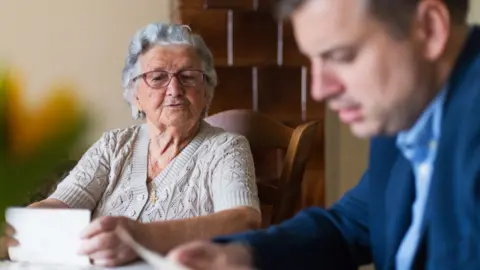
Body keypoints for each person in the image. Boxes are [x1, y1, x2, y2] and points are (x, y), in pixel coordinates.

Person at [166, 0, 480, 269]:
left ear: (429, 28)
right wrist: (240, 253)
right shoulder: (406, 108)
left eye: (341, 57)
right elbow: (350, 226)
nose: (320, 89)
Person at [0, 23, 261, 267]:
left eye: (188, 76)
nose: (174, 89)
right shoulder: (113, 145)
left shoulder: (226, 147)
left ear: (206, 92)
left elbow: (244, 221)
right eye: (158, 77)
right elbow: (59, 205)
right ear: (135, 94)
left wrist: (142, 236)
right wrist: (14, 228)